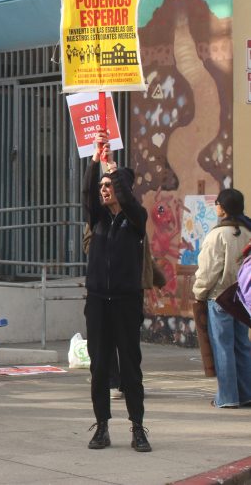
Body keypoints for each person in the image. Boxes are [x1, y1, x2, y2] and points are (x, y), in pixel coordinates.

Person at [82, 134, 151, 452]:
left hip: (126, 301)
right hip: (98, 301)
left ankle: (138, 427)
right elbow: (86, 193)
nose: (104, 190)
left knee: (131, 367)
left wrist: (112, 169)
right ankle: (102, 427)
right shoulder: (97, 220)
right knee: (99, 368)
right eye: (102, 186)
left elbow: (129, 198)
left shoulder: (135, 220)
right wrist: (96, 163)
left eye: (109, 186)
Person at [193, 188, 251, 408]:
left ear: (223, 208)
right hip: (243, 298)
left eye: (217, 202)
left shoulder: (217, 235)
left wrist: (199, 293)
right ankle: (246, 393)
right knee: (243, 345)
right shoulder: (248, 231)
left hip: (220, 298)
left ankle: (227, 397)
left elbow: (209, 271)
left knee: (223, 347)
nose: (215, 205)